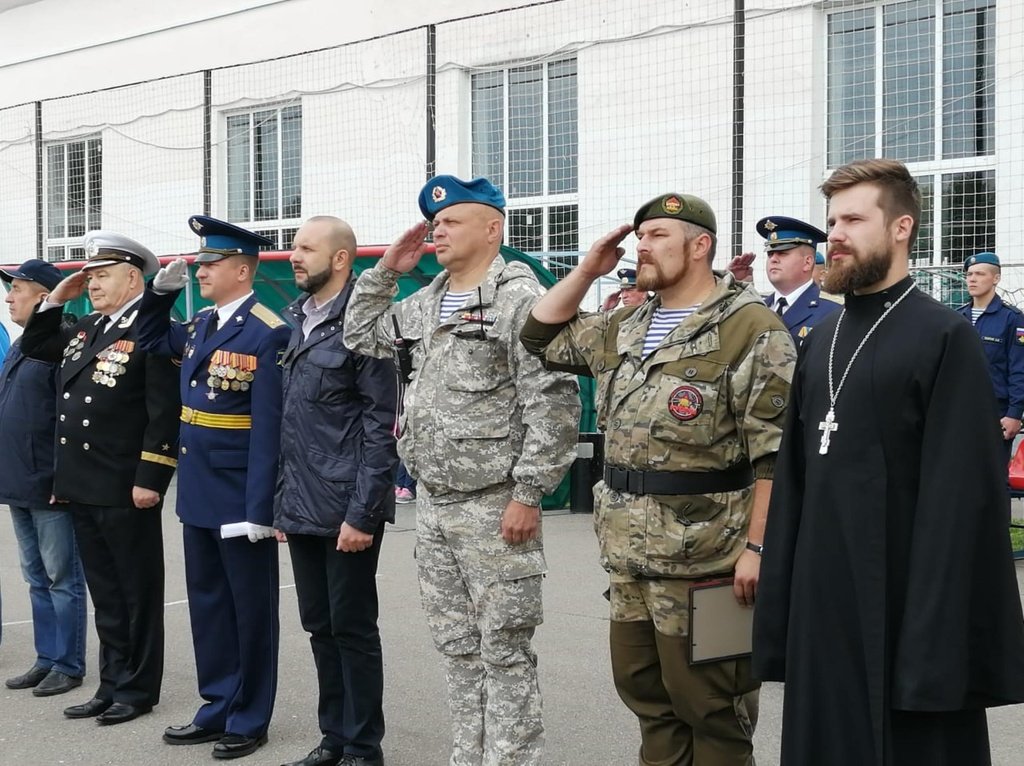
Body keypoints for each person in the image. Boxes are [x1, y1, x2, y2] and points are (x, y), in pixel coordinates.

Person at [753, 158, 1024, 766]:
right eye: (831, 221)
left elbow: (962, 501)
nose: (836, 234)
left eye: (853, 218)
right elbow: (796, 472)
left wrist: (933, 634)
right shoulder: (822, 336)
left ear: (902, 228)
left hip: (904, 606)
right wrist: (785, 594)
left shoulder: (941, 335)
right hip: (825, 600)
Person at [521, 192, 797, 766]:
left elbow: (776, 455)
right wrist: (587, 269)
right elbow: (539, 339)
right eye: (640, 235)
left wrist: (759, 548)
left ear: (701, 247)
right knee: (647, 697)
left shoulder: (751, 328)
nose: (641, 246)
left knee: (713, 707)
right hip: (630, 557)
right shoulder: (627, 321)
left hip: (709, 559)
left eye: (657, 236)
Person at [344, 175, 580, 766]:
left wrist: (528, 493)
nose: (437, 230)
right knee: (457, 649)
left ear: (493, 227)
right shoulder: (426, 300)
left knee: (504, 650)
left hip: (495, 503)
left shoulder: (520, 301)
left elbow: (552, 403)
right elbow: (359, 334)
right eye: (434, 222)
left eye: (451, 221)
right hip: (435, 504)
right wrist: (385, 273)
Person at [137, 216, 289, 760]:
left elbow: (269, 425)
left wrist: (261, 507)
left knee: (249, 610)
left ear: (243, 269)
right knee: (208, 605)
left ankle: (249, 718)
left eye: (211, 264)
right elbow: (151, 339)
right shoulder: (201, 322)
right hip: (199, 485)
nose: (201, 271)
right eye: (200, 264)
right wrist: (160, 293)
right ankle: (217, 705)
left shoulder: (270, 329)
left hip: (239, 490)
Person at [19, 232, 180, 725]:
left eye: (103, 274)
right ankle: (111, 683)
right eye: (90, 276)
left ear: (134, 278)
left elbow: (162, 411)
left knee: (136, 590)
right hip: (82, 483)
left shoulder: (152, 329)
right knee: (106, 593)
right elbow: (38, 344)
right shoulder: (87, 327)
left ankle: (137, 689)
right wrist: (55, 298)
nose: (93, 284)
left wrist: (151, 476)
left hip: (125, 482)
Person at [274, 216, 398, 766]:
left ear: (342, 258)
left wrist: (364, 515)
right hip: (301, 504)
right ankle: (334, 738)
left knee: (351, 628)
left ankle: (364, 746)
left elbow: (380, 425)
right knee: (319, 627)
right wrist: (282, 504)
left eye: (304, 248)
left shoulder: (364, 324)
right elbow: (292, 424)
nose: (293, 255)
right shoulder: (298, 319)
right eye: (294, 247)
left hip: (347, 506)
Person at [0, 260, 87, 698]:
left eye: (17, 289)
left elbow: (68, 419)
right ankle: (46, 658)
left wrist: (63, 478)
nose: (9, 297)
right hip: (18, 479)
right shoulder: (20, 345)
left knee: (61, 576)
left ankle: (69, 663)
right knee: (35, 575)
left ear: (43, 296)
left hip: (49, 481)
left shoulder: (61, 341)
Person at [957, 252, 1024, 463]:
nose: (972, 279)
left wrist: (1015, 414)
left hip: (996, 411)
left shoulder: (1012, 319)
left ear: (996, 278)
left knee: (994, 477)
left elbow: (1019, 368)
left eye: (979, 274)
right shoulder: (957, 318)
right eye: (969, 274)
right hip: (960, 409)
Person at [730, 216, 839, 343]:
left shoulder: (833, 312)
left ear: (807, 262)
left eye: (782, 253)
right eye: (770, 254)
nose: (773, 259)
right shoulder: (759, 306)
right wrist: (734, 287)